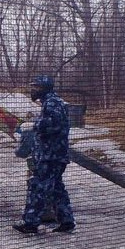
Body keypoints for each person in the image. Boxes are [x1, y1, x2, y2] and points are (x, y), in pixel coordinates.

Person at [14, 75, 75, 234]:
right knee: (56, 189)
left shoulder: (52, 103)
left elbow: (53, 125)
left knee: (38, 187)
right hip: (55, 154)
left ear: (44, 88)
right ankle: (66, 220)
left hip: (50, 155)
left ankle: (30, 223)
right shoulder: (54, 102)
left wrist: (34, 125)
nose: (32, 90)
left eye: (36, 87)